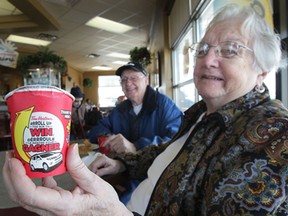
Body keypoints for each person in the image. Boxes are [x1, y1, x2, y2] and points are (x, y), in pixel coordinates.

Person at [3, 4, 288, 216]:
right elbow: (169, 150)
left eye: (230, 49)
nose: (208, 59)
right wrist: (122, 163)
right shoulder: (202, 111)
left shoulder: (275, 134)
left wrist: (112, 212)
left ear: (263, 70)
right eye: (202, 49)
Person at [87, 61, 183, 203]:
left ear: (146, 80)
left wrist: (135, 146)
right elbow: (94, 131)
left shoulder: (164, 105)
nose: (128, 83)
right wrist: (109, 136)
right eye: (124, 79)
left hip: (154, 175)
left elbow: (176, 141)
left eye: (133, 78)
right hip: (122, 171)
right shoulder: (121, 109)